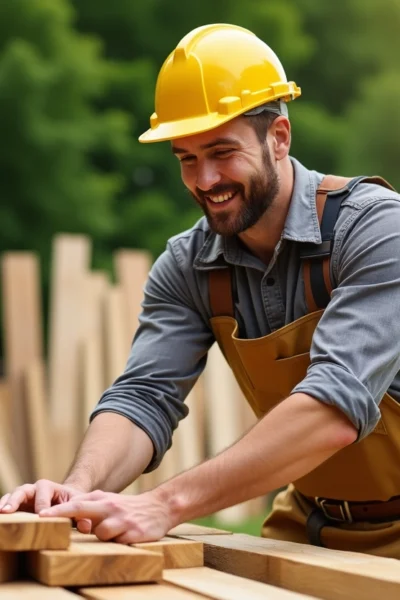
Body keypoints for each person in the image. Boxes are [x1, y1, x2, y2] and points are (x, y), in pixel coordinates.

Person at [2, 23, 400, 558]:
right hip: (314, 521)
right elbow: (144, 397)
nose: (205, 179)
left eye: (221, 151)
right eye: (186, 158)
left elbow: (333, 408)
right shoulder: (188, 266)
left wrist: (164, 504)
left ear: (279, 137)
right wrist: (78, 491)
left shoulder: (376, 230)